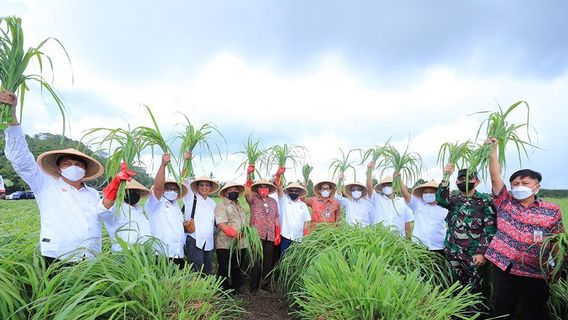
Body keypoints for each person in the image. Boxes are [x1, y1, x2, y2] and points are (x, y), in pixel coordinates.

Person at [2, 90, 106, 264]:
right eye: (67, 163)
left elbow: (106, 214)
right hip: (57, 257)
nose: (74, 166)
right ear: (58, 169)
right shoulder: (45, 184)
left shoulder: (94, 194)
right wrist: (12, 116)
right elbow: (21, 158)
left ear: (85, 170)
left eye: (79, 164)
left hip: (90, 260)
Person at [484, 138, 563, 319]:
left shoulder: (551, 210)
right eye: (515, 184)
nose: (520, 186)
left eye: (525, 183)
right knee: (502, 310)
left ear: (537, 187)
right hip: (504, 266)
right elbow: (495, 178)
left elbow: (557, 241)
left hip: (534, 270)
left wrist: (556, 270)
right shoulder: (505, 202)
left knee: (534, 312)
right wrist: (492, 150)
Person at [436, 164, 496, 312]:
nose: (465, 182)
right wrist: (446, 176)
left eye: (469, 179)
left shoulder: (485, 201)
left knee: (475, 288)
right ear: (457, 182)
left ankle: (475, 314)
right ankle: (456, 313)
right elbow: (440, 200)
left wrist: (482, 253)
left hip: (474, 255)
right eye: (461, 179)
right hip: (453, 252)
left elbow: (490, 229)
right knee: (454, 286)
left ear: (478, 181)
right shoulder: (453, 199)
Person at [145, 153, 187, 269]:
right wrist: (163, 165)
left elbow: (182, 179)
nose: (171, 191)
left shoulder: (176, 206)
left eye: (174, 189)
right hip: (162, 254)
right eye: (167, 188)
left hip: (178, 252)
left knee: (177, 285)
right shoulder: (156, 203)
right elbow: (158, 187)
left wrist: (186, 162)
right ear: (163, 190)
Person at [182, 165, 220, 275]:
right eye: (202, 185)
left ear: (210, 188)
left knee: (207, 268)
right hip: (195, 238)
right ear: (197, 187)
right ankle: (196, 290)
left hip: (208, 240)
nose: (204, 187)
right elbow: (183, 180)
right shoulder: (191, 197)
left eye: (207, 185)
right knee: (196, 268)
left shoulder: (212, 203)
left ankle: (207, 290)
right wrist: (186, 161)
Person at [99, 178, 152, 251]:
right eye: (128, 191)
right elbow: (103, 210)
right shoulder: (116, 208)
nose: (133, 193)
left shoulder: (138, 209)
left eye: (135, 191)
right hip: (124, 254)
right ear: (120, 192)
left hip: (143, 252)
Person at [246, 179, 280, 292]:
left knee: (268, 262)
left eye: (265, 186)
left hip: (270, 235)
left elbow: (276, 218)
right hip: (256, 235)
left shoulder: (273, 202)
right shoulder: (253, 199)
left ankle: (265, 285)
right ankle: (253, 287)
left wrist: (277, 233)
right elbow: (247, 193)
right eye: (261, 186)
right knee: (256, 262)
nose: (263, 188)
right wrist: (248, 177)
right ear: (257, 189)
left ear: (269, 189)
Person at [215, 181, 248, 293]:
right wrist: (235, 234)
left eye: (235, 190)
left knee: (237, 267)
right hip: (225, 244)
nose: (234, 192)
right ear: (225, 192)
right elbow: (221, 225)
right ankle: (223, 290)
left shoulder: (240, 207)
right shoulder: (221, 206)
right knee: (224, 268)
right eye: (230, 190)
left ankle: (236, 288)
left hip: (241, 243)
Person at [400, 179, 448, 255]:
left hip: (439, 247)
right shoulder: (417, 204)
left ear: (437, 193)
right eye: (425, 192)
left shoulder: (444, 208)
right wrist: (399, 179)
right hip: (419, 246)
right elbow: (405, 194)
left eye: (431, 192)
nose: (428, 194)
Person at [366, 163, 414, 238]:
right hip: (380, 239)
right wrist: (369, 171)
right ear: (381, 188)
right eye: (384, 185)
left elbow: (407, 223)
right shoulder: (377, 199)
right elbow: (369, 188)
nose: (386, 187)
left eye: (389, 185)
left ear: (394, 186)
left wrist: (408, 241)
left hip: (399, 241)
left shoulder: (403, 202)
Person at [277, 181, 311, 255]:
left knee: (295, 260)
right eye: (291, 191)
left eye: (296, 191)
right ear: (288, 192)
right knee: (284, 260)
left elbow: (307, 221)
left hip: (298, 238)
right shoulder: (284, 201)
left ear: (299, 193)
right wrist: (279, 176)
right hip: (286, 237)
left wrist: (305, 237)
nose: (293, 192)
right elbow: (279, 188)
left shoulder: (303, 205)